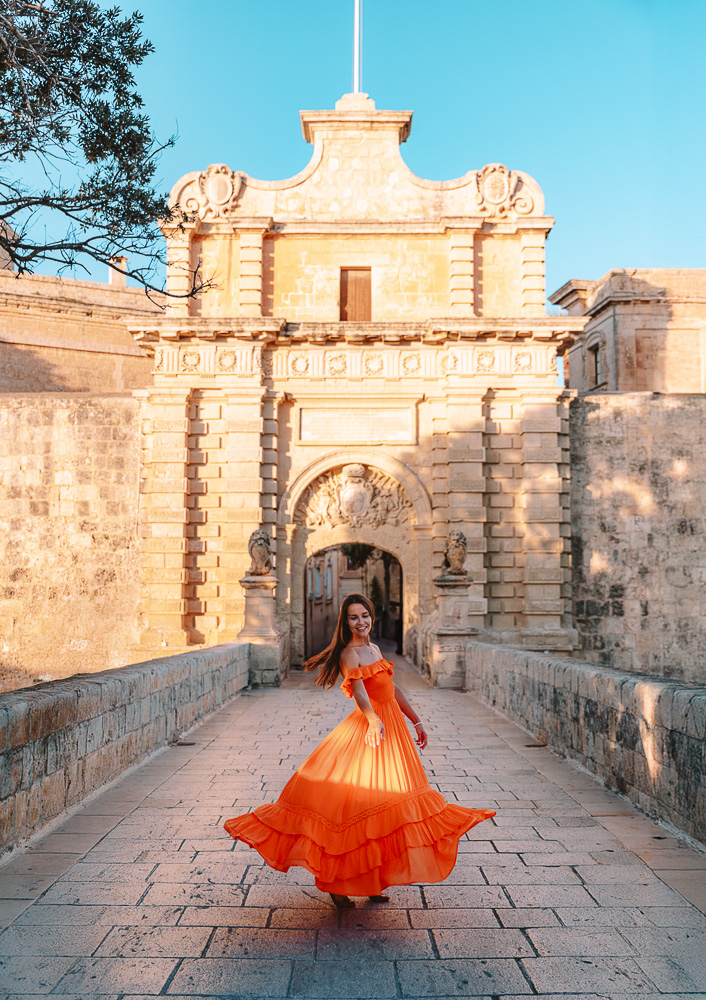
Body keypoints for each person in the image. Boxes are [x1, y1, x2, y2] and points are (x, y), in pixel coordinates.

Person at [223, 592, 495, 908]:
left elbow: (392, 690)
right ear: (346, 621)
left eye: (364, 615)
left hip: (393, 730)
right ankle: (338, 884)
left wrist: (417, 720)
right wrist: (372, 721)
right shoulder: (350, 653)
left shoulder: (374, 648)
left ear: (371, 617)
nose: (360, 622)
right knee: (357, 807)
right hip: (372, 730)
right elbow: (360, 692)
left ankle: (373, 880)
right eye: (353, 617)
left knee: (388, 804)